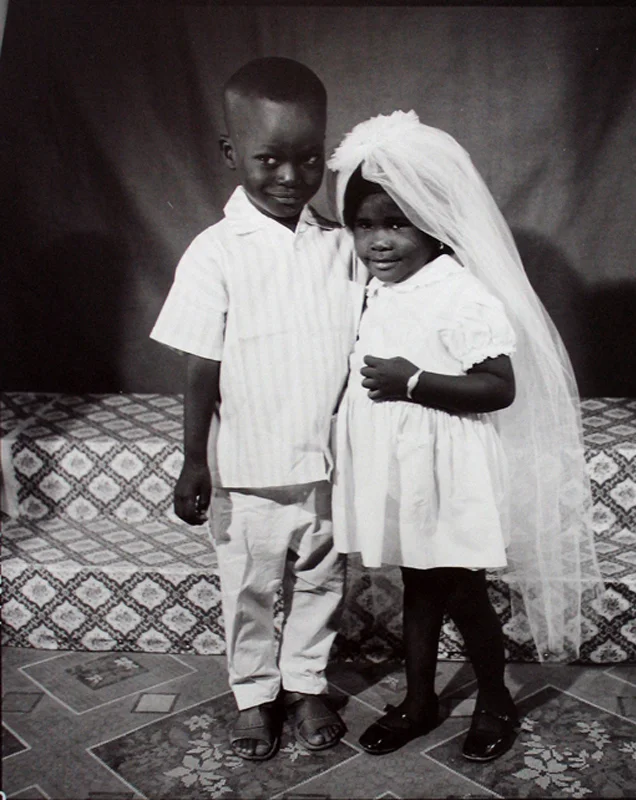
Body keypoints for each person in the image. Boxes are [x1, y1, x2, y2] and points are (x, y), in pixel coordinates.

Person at [327, 111, 602, 762]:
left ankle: (494, 699)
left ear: (433, 222)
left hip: (448, 470)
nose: (378, 241)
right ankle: (420, 701)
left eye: (396, 224)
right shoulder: (379, 288)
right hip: (405, 468)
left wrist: (412, 381)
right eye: (363, 225)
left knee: (460, 591)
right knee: (420, 586)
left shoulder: (458, 293)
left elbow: (498, 387)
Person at [150, 57, 365, 761]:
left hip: (327, 463)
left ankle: (304, 683)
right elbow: (200, 366)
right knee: (248, 588)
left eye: (309, 158)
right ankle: (253, 693)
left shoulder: (340, 246)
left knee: (321, 579)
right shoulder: (214, 252)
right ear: (230, 153)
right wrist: (193, 460)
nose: (291, 176)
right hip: (246, 468)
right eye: (268, 158)